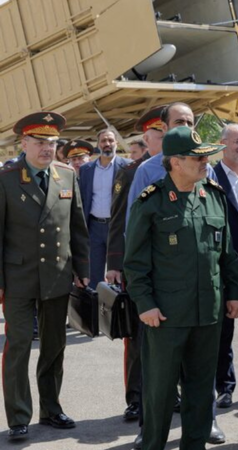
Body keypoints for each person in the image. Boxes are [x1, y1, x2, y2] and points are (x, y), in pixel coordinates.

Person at [124, 126, 238, 450]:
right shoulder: (151, 203)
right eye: (197, 157)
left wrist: (234, 293)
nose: (205, 162)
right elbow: (134, 263)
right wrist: (145, 304)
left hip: (209, 313)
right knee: (160, 393)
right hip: (165, 316)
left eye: (206, 156)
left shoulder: (214, 196)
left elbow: (228, 253)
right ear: (174, 161)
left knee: (201, 390)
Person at [0, 112, 90, 441]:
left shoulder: (66, 175)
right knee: (19, 345)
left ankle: (51, 409)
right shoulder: (6, 178)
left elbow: (77, 227)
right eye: (40, 142)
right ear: (23, 143)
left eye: (52, 143)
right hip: (18, 277)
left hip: (57, 274)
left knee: (54, 345)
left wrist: (82, 271)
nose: (47, 149)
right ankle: (19, 417)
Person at [104, 105, 166, 429]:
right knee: (139, 337)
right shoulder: (131, 171)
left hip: (171, 267)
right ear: (147, 137)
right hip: (137, 266)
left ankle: (172, 394)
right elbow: (118, 220)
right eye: (159, 132)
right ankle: (136, 398)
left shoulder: (182, 167)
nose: (165, 137)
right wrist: (115, 263)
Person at [212, 124, 238, 409]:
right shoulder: (210, 175)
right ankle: (224, 386)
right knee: (223, 331)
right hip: (225, 263)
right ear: (223, 143)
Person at [79, 129, 131, 288]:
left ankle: (117, 309)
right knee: (93, 273)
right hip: (94, 227)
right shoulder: (86, 169)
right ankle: (94, 309)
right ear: (98, 144)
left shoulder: (128, 167)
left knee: (118, 273)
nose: (107, 144)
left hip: (117, 228)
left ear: (116, 143)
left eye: (110, 140)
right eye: (103, 141)